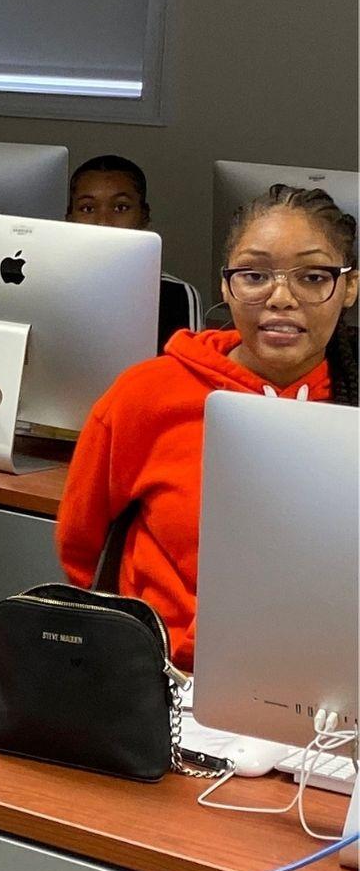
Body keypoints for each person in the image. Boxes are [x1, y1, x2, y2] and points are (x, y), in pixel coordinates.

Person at [56, 183, 357, 675]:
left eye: (312, 276)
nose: (281, 297)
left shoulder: (350, 401)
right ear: (225, 285)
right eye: (255, 275)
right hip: (160, 678)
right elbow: (81, 545)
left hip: (323, 690)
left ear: (349, 287)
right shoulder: (146, 394)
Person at [64, 154, 200, 352]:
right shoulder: (43, 287)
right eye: (87, 208)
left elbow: (188, 377)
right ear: (69, 217)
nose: (103, 222)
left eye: (120, 207)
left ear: (144, 216)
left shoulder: (175, 295)